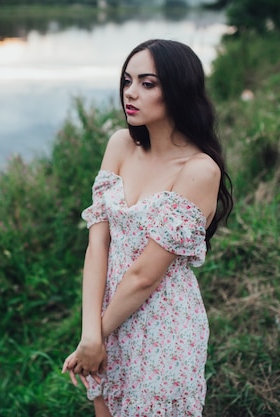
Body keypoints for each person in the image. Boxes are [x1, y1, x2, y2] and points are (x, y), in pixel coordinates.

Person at [61, 39, 234, 417]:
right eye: (127, 81)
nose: (130, 93)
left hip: (163, 325)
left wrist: (96, 335)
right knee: (104, 409)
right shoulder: (121, 144)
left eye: (147, 83)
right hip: (108, 313)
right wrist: (91, 332)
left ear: (179, 91)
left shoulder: (198, 170)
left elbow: (144, 276)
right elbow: (97, 245)